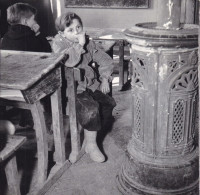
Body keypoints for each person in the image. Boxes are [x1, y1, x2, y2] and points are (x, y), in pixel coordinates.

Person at [52, 12, 116, 163]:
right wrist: (79, 44)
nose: (76, 32)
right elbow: (70, 61)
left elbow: (104, 59)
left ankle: (89, 139)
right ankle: (92, 145)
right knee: (91, 110)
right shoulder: (58, 44)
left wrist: (105, 78)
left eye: (78, 27)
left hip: (89, 84)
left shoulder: (87, 41)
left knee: (109, 103)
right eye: (71, 30)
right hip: (71, 89)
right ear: (62, 33)